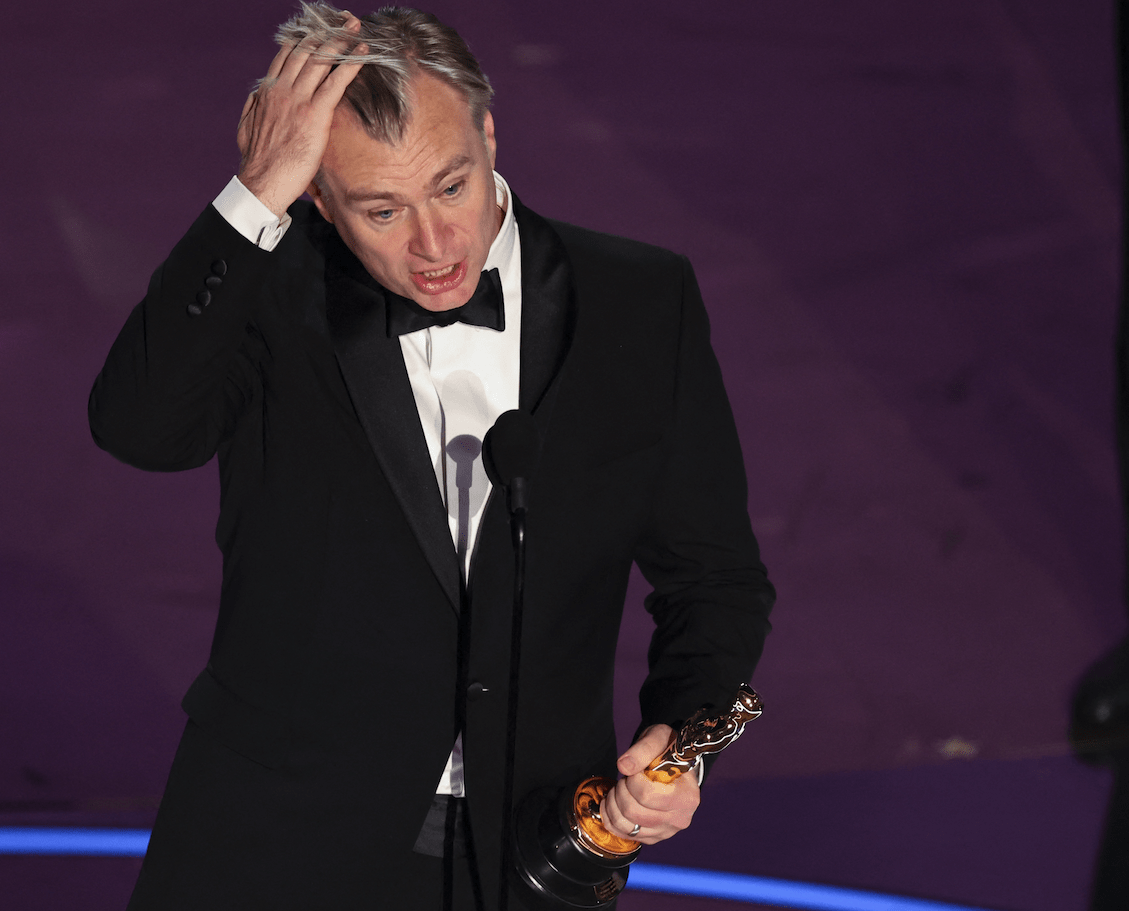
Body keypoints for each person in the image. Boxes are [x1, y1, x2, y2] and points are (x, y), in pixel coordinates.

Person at [88, 4, 775, 909]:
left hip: (528, 853)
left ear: (488, 134)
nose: (435, 245)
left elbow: (715, 577)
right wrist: (252, 196)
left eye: (451, 186)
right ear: (320, 199)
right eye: (383, 209)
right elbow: (140, 429)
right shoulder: (271, 293)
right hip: (272, 845)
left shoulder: (639, 300)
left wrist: (680, 743)